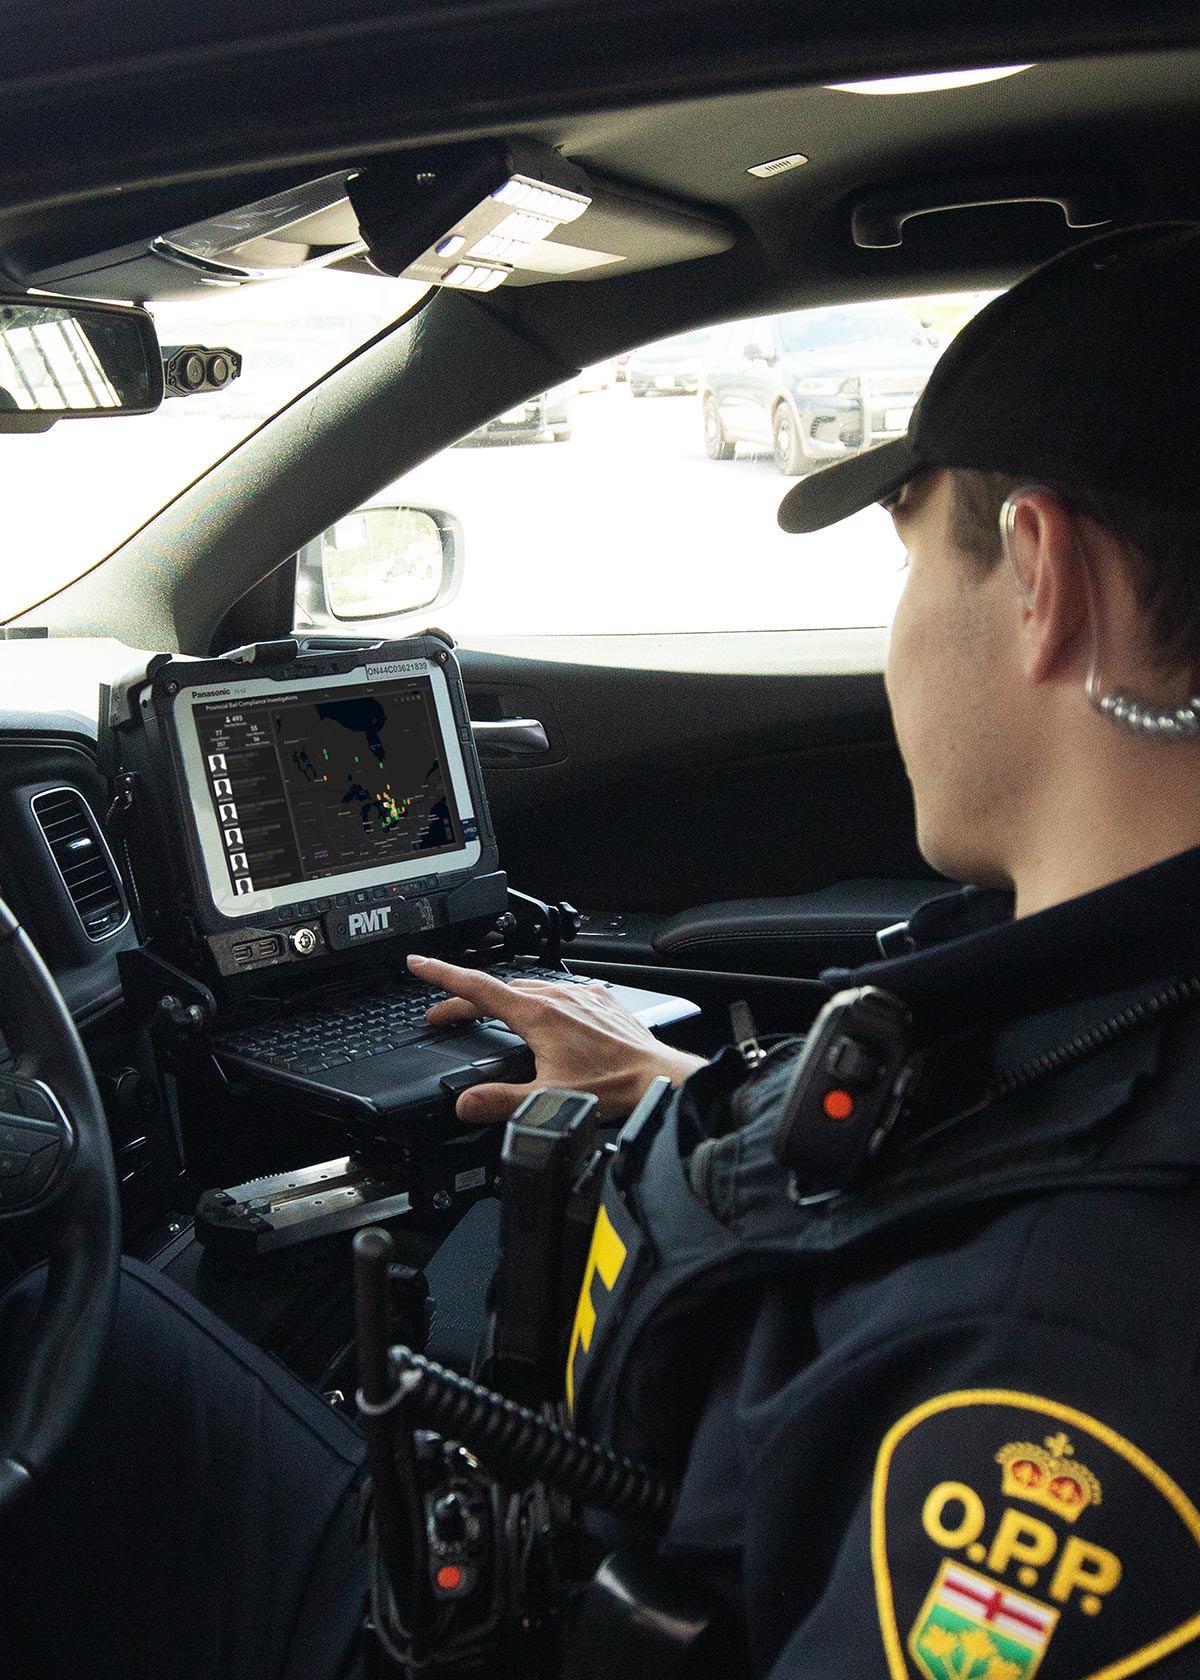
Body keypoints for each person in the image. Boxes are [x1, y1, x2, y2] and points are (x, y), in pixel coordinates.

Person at [10, 218, 1200, 1679]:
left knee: (74, 1319)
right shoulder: (1094, 1009)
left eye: (906, 566)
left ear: (1041, 579)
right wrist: (693, 1112)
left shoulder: (1050, 1368)